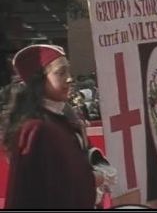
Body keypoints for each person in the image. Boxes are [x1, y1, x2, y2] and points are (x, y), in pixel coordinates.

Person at [1, 44, 114, 209]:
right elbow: (55, 185)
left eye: (68, 71)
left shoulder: (60, 120)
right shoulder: (35, 129)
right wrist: (97, 177)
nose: (69, 78)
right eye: (61, 73)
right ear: (40, 80)